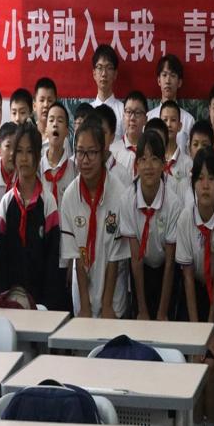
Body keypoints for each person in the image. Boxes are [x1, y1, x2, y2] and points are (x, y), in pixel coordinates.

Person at [175, 146, 214, 426]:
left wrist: (210, 332)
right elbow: (186, 277)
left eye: (211, 178)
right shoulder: (185, 219)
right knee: (195, 360)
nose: (205, 185)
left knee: (213, 361)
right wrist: (197, 334)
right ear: (193, 183)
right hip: (192, 291)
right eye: (200, 178)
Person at [0, 122, 68, 310]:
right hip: (10, 299)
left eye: (29, 152)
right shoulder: (6, 202)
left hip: (42, 300)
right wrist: (3, 299)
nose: (24, 158)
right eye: (19, 151)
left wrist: (47, 305)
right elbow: (0, 259)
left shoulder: (48, 202)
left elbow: (53, 258)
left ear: (38, 156)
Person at [60, 117, 130, 318]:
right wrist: (85, 306)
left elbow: (116, 256)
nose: (85, 160)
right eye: (80, 152)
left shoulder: (119, 194)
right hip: (83, 293)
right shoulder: (70, 196)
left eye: (91, 152)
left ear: (103, 153)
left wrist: (107, 305)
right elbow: (76, 255)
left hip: (113, 294)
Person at [123, 131, 183, 320]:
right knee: (140, 320)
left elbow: (170, 262)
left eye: (155, 159)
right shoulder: (127, 200)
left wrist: (162, 312)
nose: (148, 166)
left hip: (166, 268)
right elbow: (135, 259)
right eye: (143, 159)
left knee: (164, 321)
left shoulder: (173, 203)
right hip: (140, 269)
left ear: (164, 164)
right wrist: (142, 310)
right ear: (136, 165)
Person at [148, 55, 195, 152]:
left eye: (172, 75)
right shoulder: (149, 118)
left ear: (179, 82)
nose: (168, 81)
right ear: (159, 80)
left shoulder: (188, 120)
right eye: (164, 75)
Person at [40, 102, 75, 205]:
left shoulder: (74, 169)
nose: (55, 124)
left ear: (67, 131)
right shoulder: (37, 168)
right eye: (51, 120)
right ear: (46, 130)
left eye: (60, 121)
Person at [90, 44, 125, 138]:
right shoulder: (88, 111)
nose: (104, 74)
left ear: (115, 74)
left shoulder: (123, 111)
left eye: (109, 68)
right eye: (100, 67)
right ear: (94, 73)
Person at [111, 91, 147, 174]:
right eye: (128, 112)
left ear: (145, 119)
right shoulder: (113, 151)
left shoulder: (152, 151)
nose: (132, 118)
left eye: (137, 113)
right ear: (123, 117)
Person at [160, 100, 192, 197]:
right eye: (165, 120)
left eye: (173, 120)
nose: (168, 124)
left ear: (179, 126)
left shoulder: (188, 164)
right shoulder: (154, 161)